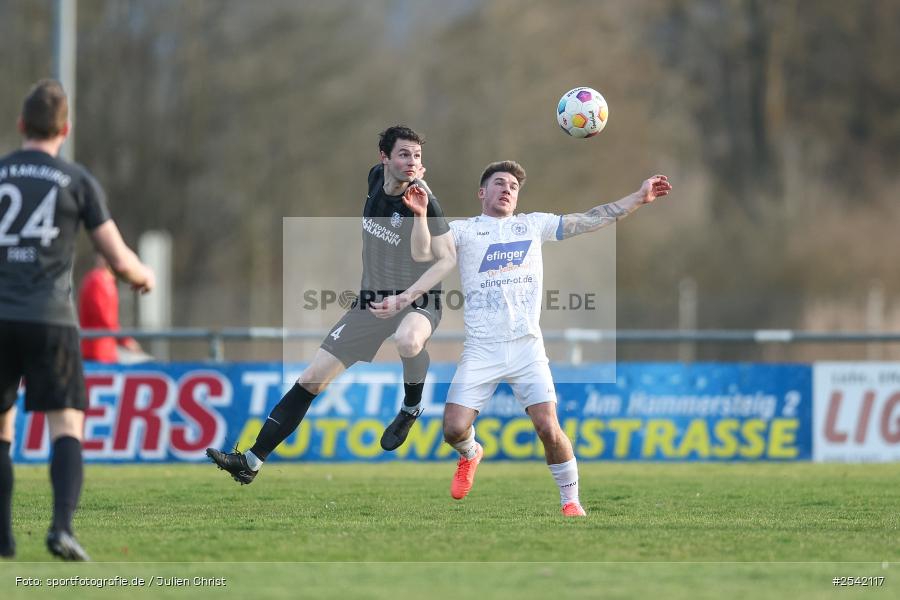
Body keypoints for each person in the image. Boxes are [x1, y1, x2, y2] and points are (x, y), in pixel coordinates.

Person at [406, 160, 672, 516]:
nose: (507, 190)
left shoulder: (532, 225)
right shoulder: (464, 231)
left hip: (527, 347)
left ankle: (571, 502)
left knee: (548, 427)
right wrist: (421, 216)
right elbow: (425, 253)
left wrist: (639, 198)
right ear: (482, 193)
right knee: (453, 430)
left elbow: (590, 219)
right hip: (482, 348)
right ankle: (472, 452)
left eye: (513, 187)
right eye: (499, 184)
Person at [207, 125, 456, 483]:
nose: (412, 162)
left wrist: (419, 217)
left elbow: (439, 258)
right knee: (311, 379)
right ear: (383, 158)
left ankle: (411, 407)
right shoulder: (374, 179)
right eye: (404, 154)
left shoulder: (425, 200)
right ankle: (250, 461)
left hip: (419, 297)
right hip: (372, 300)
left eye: (417, 156)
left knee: (408, 340)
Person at [0, 80, 155, 560]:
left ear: (22, 124)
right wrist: (141, 275)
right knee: (66, 424)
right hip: (50, 319)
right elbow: (117, 256)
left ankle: (2, 538)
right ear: (64, 129)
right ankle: (61, 528)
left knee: (1, 429)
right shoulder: (76, 180)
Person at [78, 253, 144, 363]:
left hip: (106, 349)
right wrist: (124, 340)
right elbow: (104, 318)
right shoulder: (97, 281)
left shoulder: (107, 281)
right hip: (96, 350)